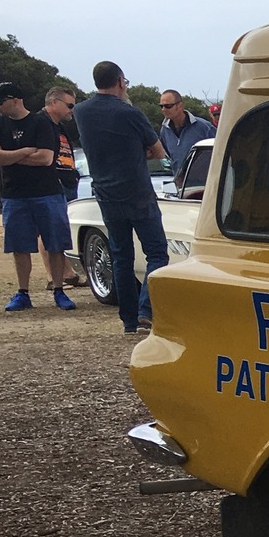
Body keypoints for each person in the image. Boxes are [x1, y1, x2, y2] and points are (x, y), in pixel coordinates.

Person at [72, 60, 170, 334]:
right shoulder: (129, 112)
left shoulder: (81, 112)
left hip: (105, 192)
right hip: (137, 192)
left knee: (121, 256)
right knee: (157, 253)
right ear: (120, 82)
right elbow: (158, 151)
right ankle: (145, 309)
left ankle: (128, 318)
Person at [0, 82, 78, 311]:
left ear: (15, 100)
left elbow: (45, 158)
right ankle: (23, 292)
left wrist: (9, 155)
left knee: (55, 244)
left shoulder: (41, 122)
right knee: (19, 246)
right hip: (14, 195)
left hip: (47, 193)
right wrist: (26, 151)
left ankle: (59, 290)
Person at [156, 88, 216, 176]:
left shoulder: (204, 127)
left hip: (205, 183)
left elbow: (220, 153)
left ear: (180, 106)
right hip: (182, 186)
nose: (164, 109)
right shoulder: (164, 131)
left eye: (168, 106)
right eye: (161, 106)